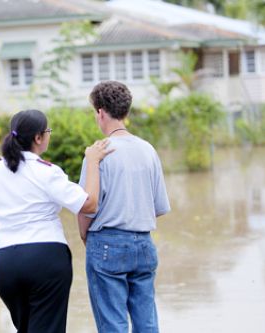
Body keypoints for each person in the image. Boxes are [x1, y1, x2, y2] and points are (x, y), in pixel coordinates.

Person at [0, 109, 112, 333]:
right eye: (47, 131)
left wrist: (11, 254)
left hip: (4, 263)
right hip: (44, 260)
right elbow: (89, 204)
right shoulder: (47, 172)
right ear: (38, 138)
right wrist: (92, 162)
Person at [78, 81, 171, 333]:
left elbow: (86, 206)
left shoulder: (97, 153)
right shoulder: (148, 150)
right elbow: (159, 207)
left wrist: (87, 237)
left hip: (106, 242)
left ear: (100, 112)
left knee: (113, 325)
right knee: (147, 323)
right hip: (144, 243)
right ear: (125, 111)